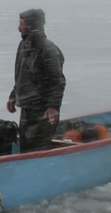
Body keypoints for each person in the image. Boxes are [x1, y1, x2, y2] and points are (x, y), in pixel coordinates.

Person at [6, 8, 66, 152]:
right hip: (27, 107)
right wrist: (14, 95)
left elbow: (57, 81)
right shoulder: (24, 45)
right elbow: (21, 74)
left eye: (22, 24)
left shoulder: (48, 49)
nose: (19, 28)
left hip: (43, 110)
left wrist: (53, 107)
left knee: (38, 149)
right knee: (26, 146)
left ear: (32, 26)